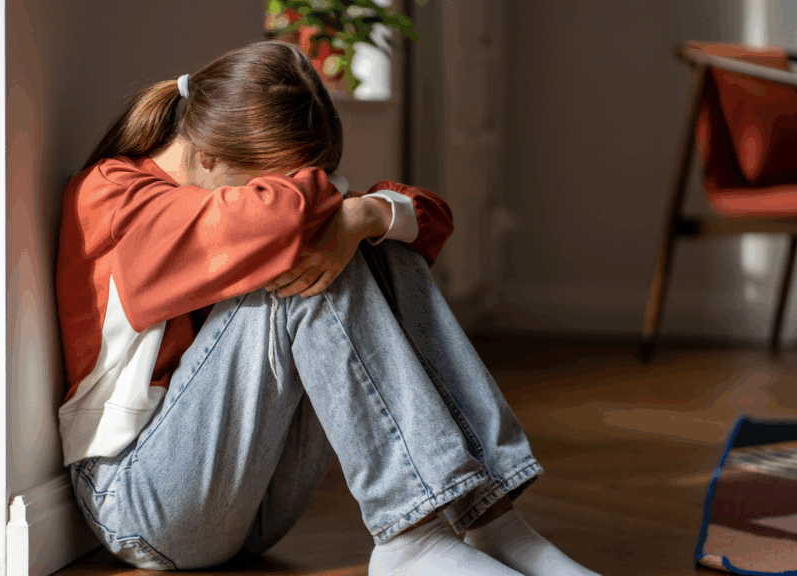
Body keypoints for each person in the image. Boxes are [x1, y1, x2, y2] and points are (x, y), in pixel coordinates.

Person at [56, 40, 601, 576]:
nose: (290, 190)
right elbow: (285, 219)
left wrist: (364, 217)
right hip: (138, 502)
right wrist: (347, 211)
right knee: (306, 264)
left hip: (248, 507)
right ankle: (410, 538)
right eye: (277, 181)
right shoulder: (114, 199)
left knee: (370, 242)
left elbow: (430, 217)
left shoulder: (226, 192)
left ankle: (492, 521)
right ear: (207, 157)